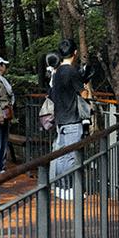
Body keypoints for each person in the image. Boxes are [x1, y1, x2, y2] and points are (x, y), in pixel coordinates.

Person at [48, 38, 98, 198]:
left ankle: (61, 188)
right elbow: (83, 94)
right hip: (72, 119)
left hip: (60, 118)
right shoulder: (71, 71)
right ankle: (70, 189)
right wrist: (85, 85)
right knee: (71, 156)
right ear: (75, 53)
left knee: (62, 155)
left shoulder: (57, 72)